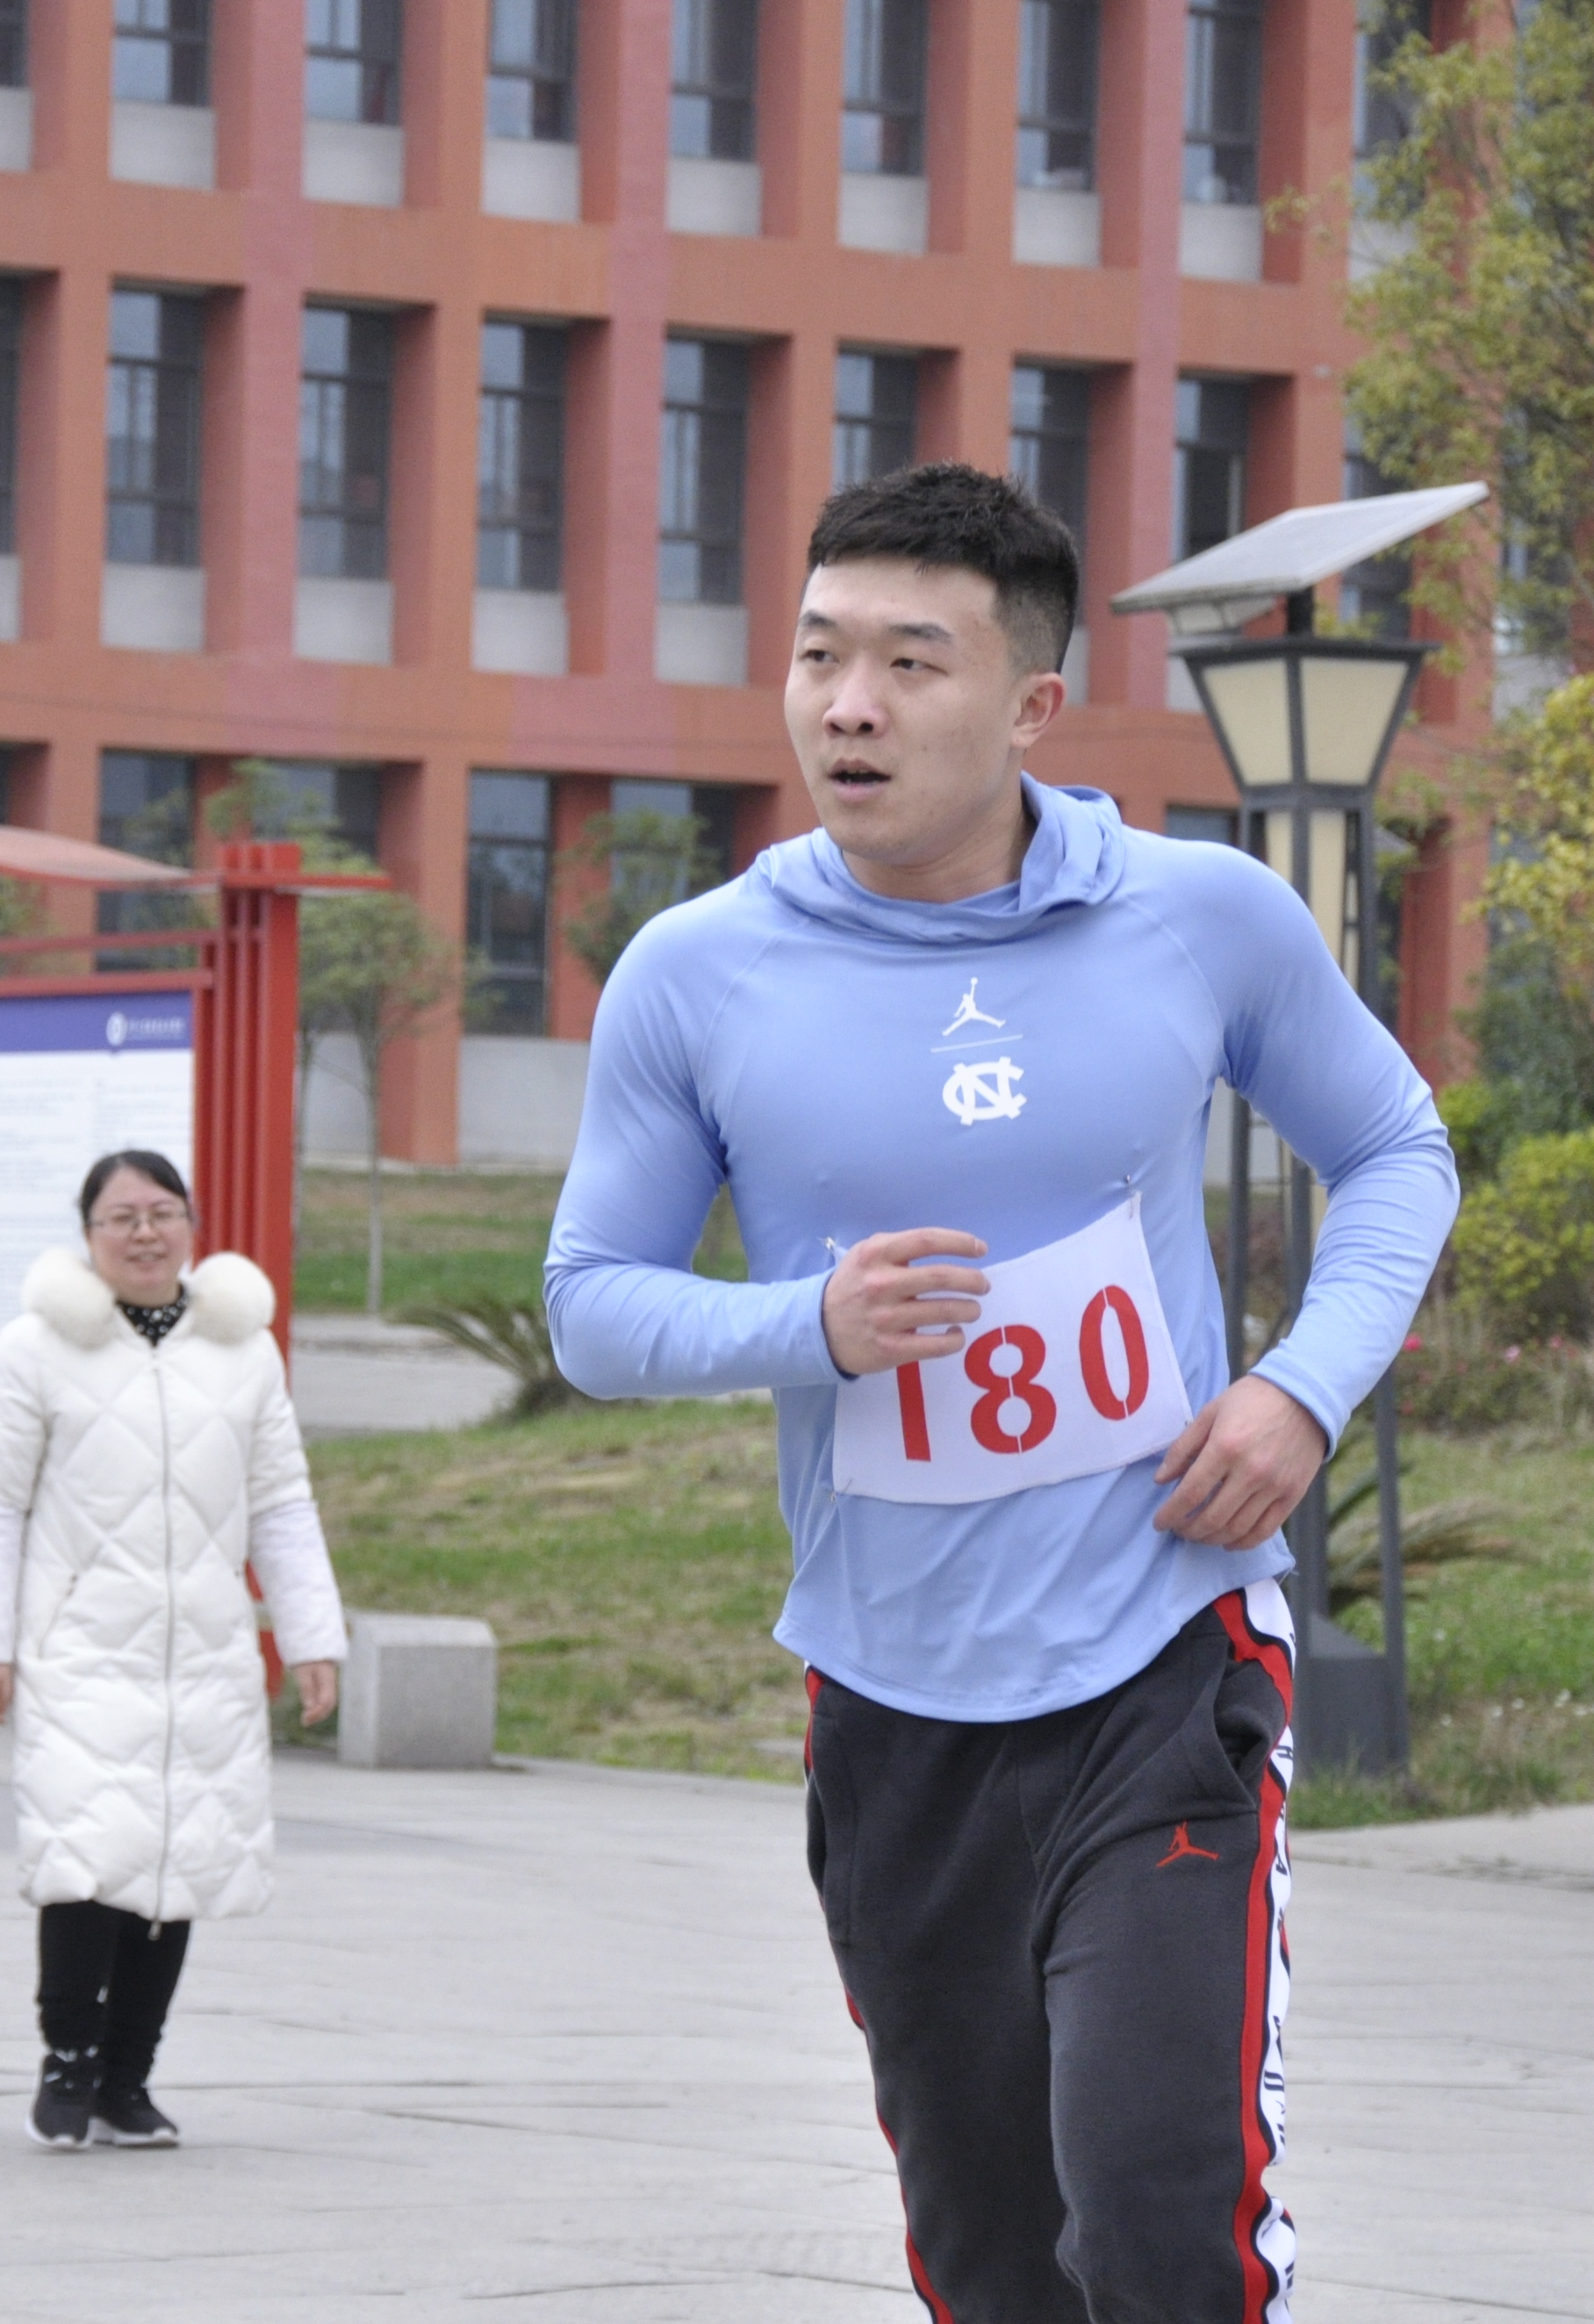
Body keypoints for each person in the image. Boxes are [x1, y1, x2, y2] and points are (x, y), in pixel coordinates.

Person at [545, 464, 1456, 2322]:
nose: (848, 706)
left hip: (1163, 1657)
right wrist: (808, 1324)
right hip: (892, 1704)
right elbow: (588, 1305)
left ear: (1033, 702)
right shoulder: (697, 975)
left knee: (1154, 2218)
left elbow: (1395, 1147)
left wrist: (1298, 1391)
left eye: (908, 662)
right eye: (817, 655)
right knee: (991, 2257)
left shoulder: (1198, 917)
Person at [0, 1148, 349, 2152]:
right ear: (88, 1234)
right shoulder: (36, 1347)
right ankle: (68, 2060)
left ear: (191, 1224)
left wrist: (311, 1635)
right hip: (80, 1647)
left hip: (202, 1648)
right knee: (87, 1857)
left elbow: (281, 1501)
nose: (144, 1233)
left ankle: (128, 2077)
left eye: (163, 1212)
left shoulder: (243, 1351)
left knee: (178, 1863)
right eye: (121, 1217)